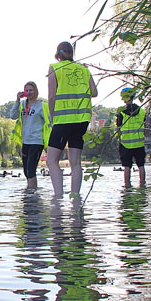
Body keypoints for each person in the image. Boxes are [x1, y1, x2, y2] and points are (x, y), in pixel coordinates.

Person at [46, 41, 97, 198]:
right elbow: (94, 92)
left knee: (51, 160)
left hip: (63, 120)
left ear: (58, 54)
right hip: (82, 120)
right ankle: (76, 197)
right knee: (75, 162)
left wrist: (52, 117)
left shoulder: (54, 68)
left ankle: (58, 196)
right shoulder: (84, 69)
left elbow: (52, 96)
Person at [9, 81, 51, 189]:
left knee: (31, 169)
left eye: (31, 90)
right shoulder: (22, 104)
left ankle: (33, 193)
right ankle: (30, 190)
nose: (29, 92)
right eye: (26, 90)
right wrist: (17, 101)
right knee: (26, 170)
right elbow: (12, 115)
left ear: (36, 91)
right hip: (25, 141)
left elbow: (50, 120)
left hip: (37, 141)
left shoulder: (41, 105)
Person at [116, 87, 146, 186]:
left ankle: (127, 186)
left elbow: (118, 129)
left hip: (125, 144)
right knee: (141, 165)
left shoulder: (120, 112)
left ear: (124, 98)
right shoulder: (142, 111)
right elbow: (145, 127)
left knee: (127, 166)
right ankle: (142, 184)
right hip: (139, 143)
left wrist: (119, 141)